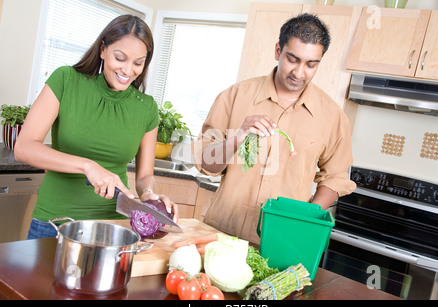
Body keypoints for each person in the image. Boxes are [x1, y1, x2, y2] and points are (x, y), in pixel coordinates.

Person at [192, 14, 356, 244]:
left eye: (311, 64)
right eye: (292, 59)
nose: (299, 73)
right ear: (278, 51)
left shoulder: (333, 117)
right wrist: (237, 139)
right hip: (222, 233)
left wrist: (303, 219)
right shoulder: (234, 96)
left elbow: (336, 177)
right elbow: (206, 163)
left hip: (283, 241)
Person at [14, 15, 178, 239]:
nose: (128, 71)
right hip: (54, 224)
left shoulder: (146, 108)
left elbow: (144, 176)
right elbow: (24, 147)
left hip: (113, 229)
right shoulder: (66, 80)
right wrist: (87, 166)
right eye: (120, 58)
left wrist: (149, 195)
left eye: (138, 63)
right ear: (103, 49)